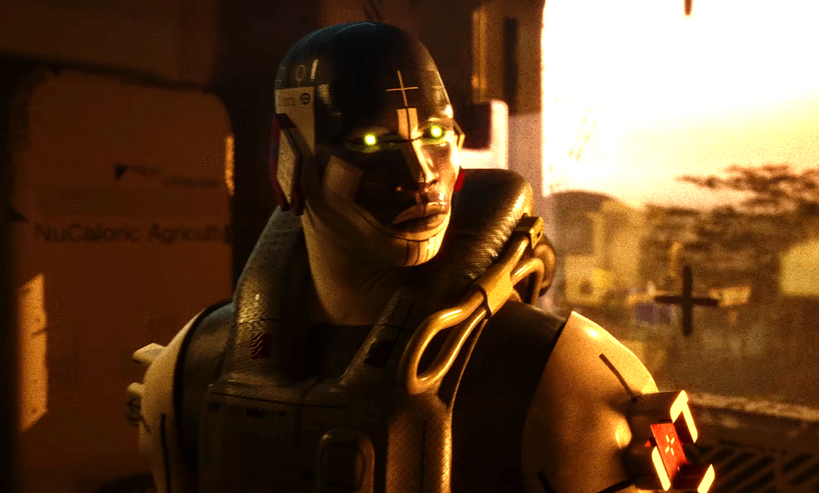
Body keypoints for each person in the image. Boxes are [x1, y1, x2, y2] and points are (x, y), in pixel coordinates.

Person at [127, 22, 713, 493]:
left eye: (436, 137)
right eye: (372, 142)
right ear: (290, 158)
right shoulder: (184, 372)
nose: (420, 175)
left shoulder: (567, 382)